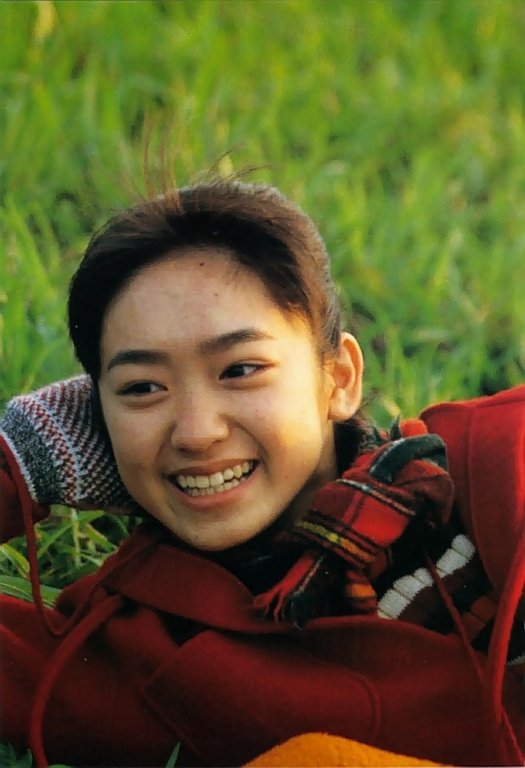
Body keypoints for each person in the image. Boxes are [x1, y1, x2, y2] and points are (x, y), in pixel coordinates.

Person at [0, 181, 524, 768]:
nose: (196, 433)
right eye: (142, 387)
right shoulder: (143, 655)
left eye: (241, 370)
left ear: (339, 378)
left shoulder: (495, 461)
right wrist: (20, 460)